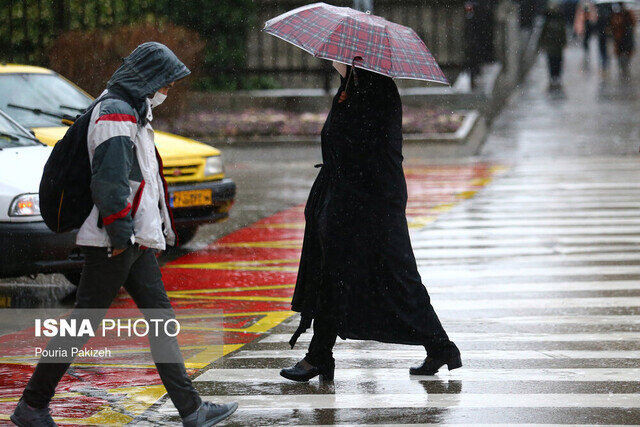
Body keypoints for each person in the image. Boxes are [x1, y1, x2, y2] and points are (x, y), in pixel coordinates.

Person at [10, 43, 237, 427]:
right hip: (115, 242)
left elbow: (137, 179)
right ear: (149, 79)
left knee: (158, 318)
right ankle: (32, 404)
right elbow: (111, 182)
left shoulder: (132, 110)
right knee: (83, 324)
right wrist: (120, 236)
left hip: (134, 240)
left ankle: (191, 408)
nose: (168, 89)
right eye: (165, 81)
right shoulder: (115, 112)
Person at [280, 61, 461, 383]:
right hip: (347, 198)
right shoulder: (352, 85)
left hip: (372, 202)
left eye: (338, 57)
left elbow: (363, 145)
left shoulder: (376, 89)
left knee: (396, 276)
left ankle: (440, 345)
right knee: (331, 276)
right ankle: (319, 355)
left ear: (356, 59)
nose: (331, 61)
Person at [540, 2, 568, 89]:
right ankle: (553, 77)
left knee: (558, 62)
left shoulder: (560, 20)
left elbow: (563, 33)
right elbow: (543, 33)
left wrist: (564, 43)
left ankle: (557, 77)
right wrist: (542, 44)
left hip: (557, 46)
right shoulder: (547, 21)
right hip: (551, 46)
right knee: (551, 62)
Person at [609, 2, 636, 79]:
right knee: (620, 53)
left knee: (627, 52)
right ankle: (622, 67)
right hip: (619, 38)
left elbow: (633, 23)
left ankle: (625, 67)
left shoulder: (628, 13)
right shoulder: (614, 14)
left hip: (626, 37)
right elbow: (613, 25)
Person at [595, 2, 613, 76]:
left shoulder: (600, 13)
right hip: (605, 35)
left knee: (603, 50)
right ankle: (605, 63)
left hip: (602, 35)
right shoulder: (609, 13)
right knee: (605, 49)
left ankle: (604, 64)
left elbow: (596, 25)